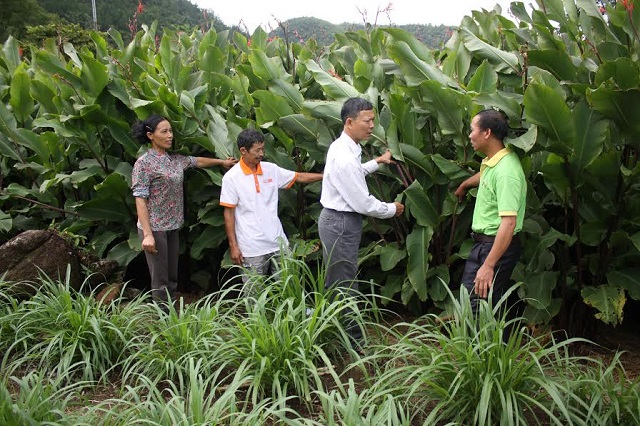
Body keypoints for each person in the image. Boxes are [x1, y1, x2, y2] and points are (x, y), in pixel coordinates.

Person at [318, 97, 405, 345]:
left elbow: (353, 174)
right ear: (349, 122)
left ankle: (332, 331)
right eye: (367, 121)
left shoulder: (344, 148)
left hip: (336, 222)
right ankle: (353, 342)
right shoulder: (344, 156)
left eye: (373, 121)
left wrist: (377, 162)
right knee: (345, 283)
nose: (371, 127)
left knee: (337, 280)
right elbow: (363, 203)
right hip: (341, 223)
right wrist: (392, 209)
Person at [131, 114, 237, 308]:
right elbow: (140, 199)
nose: (170, 135)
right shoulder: (144, 164)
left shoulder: (175, 160)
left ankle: (171, 313)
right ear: (150, 135)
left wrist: (222, 162)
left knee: (172, 274)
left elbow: (196, 161)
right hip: (155, 228)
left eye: (170, 131)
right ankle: (164, 318)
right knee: (160, 277)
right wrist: (147, 234)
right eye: (164, 131)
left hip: (173, 225)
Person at [219, 128, 323, 297]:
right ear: (243, 151)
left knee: (290, 290)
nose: (262, 154)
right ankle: (257, 324)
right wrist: (233, 246)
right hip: (251, 247)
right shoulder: (232, 178)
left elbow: (298, 177)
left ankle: (289, 323)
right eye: (257, 150)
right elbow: (228, 213)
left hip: (278, 243)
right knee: (254, 295)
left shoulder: (270, 169)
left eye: (263, 148)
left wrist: (324, 176)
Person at [454, 109, 526, 321]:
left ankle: (483, 353)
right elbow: (486, 174)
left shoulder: (506, 172)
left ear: (486, 133)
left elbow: (509, 223)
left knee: (477, 307)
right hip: (485, 245)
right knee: (477, 303)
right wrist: (465, 184)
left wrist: (488, 265)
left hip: (495, 247)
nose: (469, 135)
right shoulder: (494, 161)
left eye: (472, 130)